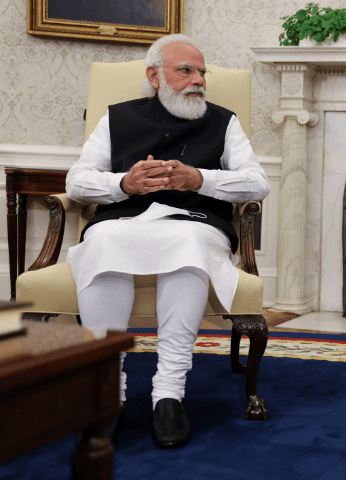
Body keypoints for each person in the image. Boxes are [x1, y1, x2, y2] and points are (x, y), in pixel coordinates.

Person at [66, 34, 269, 448]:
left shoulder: (223, 121)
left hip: (194, 220)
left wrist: (201, 178)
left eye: (202, 72)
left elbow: (258, 182)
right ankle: (109, 390)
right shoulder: (117, 118)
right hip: (124, 218)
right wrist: (123, 182)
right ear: (154, 76)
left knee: (188, 243)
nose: (199, 80)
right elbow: (77, 181)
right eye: (186, 71)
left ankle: (169, 391)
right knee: (104, 241)